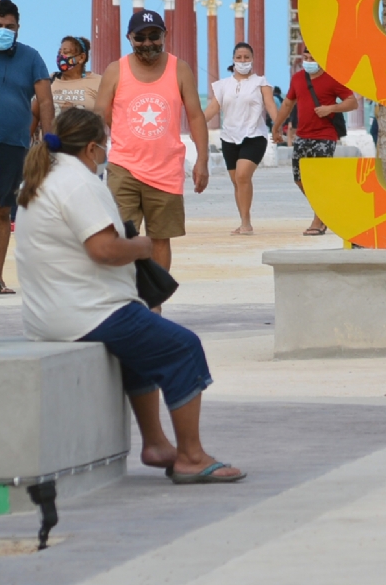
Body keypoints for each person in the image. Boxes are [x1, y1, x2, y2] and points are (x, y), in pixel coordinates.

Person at [15, 108, 244, 484]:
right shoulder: (78, 183)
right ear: (92, 148)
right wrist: (141, 247)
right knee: (182, 346)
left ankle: (155, 443)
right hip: (89, 311)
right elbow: (104, 249)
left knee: (143, 345)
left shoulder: (42, 179)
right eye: (105, 145)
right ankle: (190, 456)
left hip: (51, 313)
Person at [97, 9, 210, 272]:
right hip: (123, 168)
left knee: (160, 239)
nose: (148, 43)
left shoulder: (179, 69)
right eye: (141, 38)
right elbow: (99, 118)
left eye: (154, 36)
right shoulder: (116, 71)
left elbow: (195, 116)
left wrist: (202, 160)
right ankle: (128, 298)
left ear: (165, 35)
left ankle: (155, 303)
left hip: (167, 171)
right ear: (130, 38)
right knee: (123, 236)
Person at [0, 0, 55, 295]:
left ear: (18, 28)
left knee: (0, 210)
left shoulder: (32, 57)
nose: (3, 31)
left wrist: (51, 143)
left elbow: (45, 101)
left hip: (13, 144)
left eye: (9, 27)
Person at [270, 44, 358, 235]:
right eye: (306, 58)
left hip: (325, 136)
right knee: (299, 179)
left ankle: (318, 221)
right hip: (302, 135)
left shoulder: (332, 79)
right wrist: (276, 127)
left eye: (313, 59)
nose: (309, 62)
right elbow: (287, 103)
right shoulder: (298, 78)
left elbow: (352, 102)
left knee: (320, 179)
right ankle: (324, 210)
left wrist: (331, 108)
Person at [203, 43, 279, 235]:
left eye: (246, 57)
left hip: (254, 136)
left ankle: (246, 224)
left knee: (243, 176)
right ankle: (244, 220)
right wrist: (195, 124)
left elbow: (270, 106)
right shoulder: (222, 85)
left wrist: (277, 127)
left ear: (252, 60)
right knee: (236, 181)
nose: (243, 61)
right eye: (239, 57)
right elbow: (212, 110)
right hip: (229, 137)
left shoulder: (261, 83)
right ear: (233, 60)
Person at [48, 36, 103, 115]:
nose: (61, 56)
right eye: (59, 53)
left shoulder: (98, 82)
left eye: (66, 52)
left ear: (81, 57)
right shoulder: (50, 80)